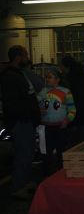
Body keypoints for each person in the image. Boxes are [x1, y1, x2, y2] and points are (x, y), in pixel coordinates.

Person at [0, 45, 41, 198]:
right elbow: (13, 102)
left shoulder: (17, 74)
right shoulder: (11, 76)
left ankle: (24, 182)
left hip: (25, 120)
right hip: (21, 121)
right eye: (25, 55)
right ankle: (18, 187)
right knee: (23, 154)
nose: (27, 58)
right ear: (18, 57)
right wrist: (27, 113)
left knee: (27, 153)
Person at [37, 68, 76, 176]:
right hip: (46, 128)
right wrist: (39, 109)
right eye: (46, 77)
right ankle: (46, 177)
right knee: (46, 154)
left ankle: (60, 176)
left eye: (50, 77)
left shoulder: (66, 92)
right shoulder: (43, 92)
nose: (47, 79)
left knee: (61, 153)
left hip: (60, 127)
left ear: (57, 79)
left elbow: (72, 109)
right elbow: (35, 103)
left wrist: (67, 120)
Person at [60, 56, 84, 146]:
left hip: (76, 114)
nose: (61, 69)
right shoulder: (80, 75)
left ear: (66, 67)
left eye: (62, 66)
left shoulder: (69, 79)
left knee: (74, 141)